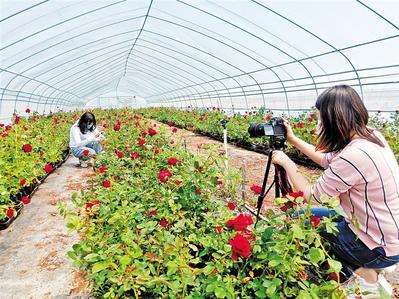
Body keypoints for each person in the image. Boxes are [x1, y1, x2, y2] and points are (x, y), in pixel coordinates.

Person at [271, 85, 399, 297]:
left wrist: (288, 163)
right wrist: (292, 140)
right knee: (302, 216)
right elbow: (325, 159)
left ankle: (360, 278)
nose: (319, 124)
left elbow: (313, 196)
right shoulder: (370, 137)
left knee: (301, 225)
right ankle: (364, 272)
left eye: (321, 119)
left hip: (377, 247)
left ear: (334, 119)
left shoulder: (355, 155)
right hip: (386, 234)